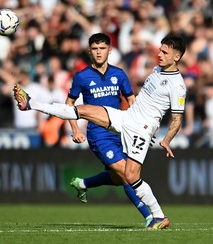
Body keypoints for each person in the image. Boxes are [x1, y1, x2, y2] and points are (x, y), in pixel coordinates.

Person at [13, 34, 187, 230]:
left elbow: (177, 119)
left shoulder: (178, 86)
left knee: (129, 176)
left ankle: (158, 216)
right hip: (126, 118)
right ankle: (31, 103)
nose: (159, 54)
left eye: (164, 52)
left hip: (141, 128)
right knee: (85, 110)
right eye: (160, 50)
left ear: (177, 56)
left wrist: (167, 139)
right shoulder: (157, 70)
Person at [64, 33, 152, 226]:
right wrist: (76, 129)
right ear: (89, 51)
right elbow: (69, 103)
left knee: (119, 177)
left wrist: (138, 125)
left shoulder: (119, 74)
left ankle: (82, 184)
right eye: (95, 49)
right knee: (125, 172)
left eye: (102, 48)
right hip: (98, 133)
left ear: (109, 50)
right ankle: (150, 216)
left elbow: (131, 100)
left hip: (120, 130)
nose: (98, 52)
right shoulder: (82, 77)